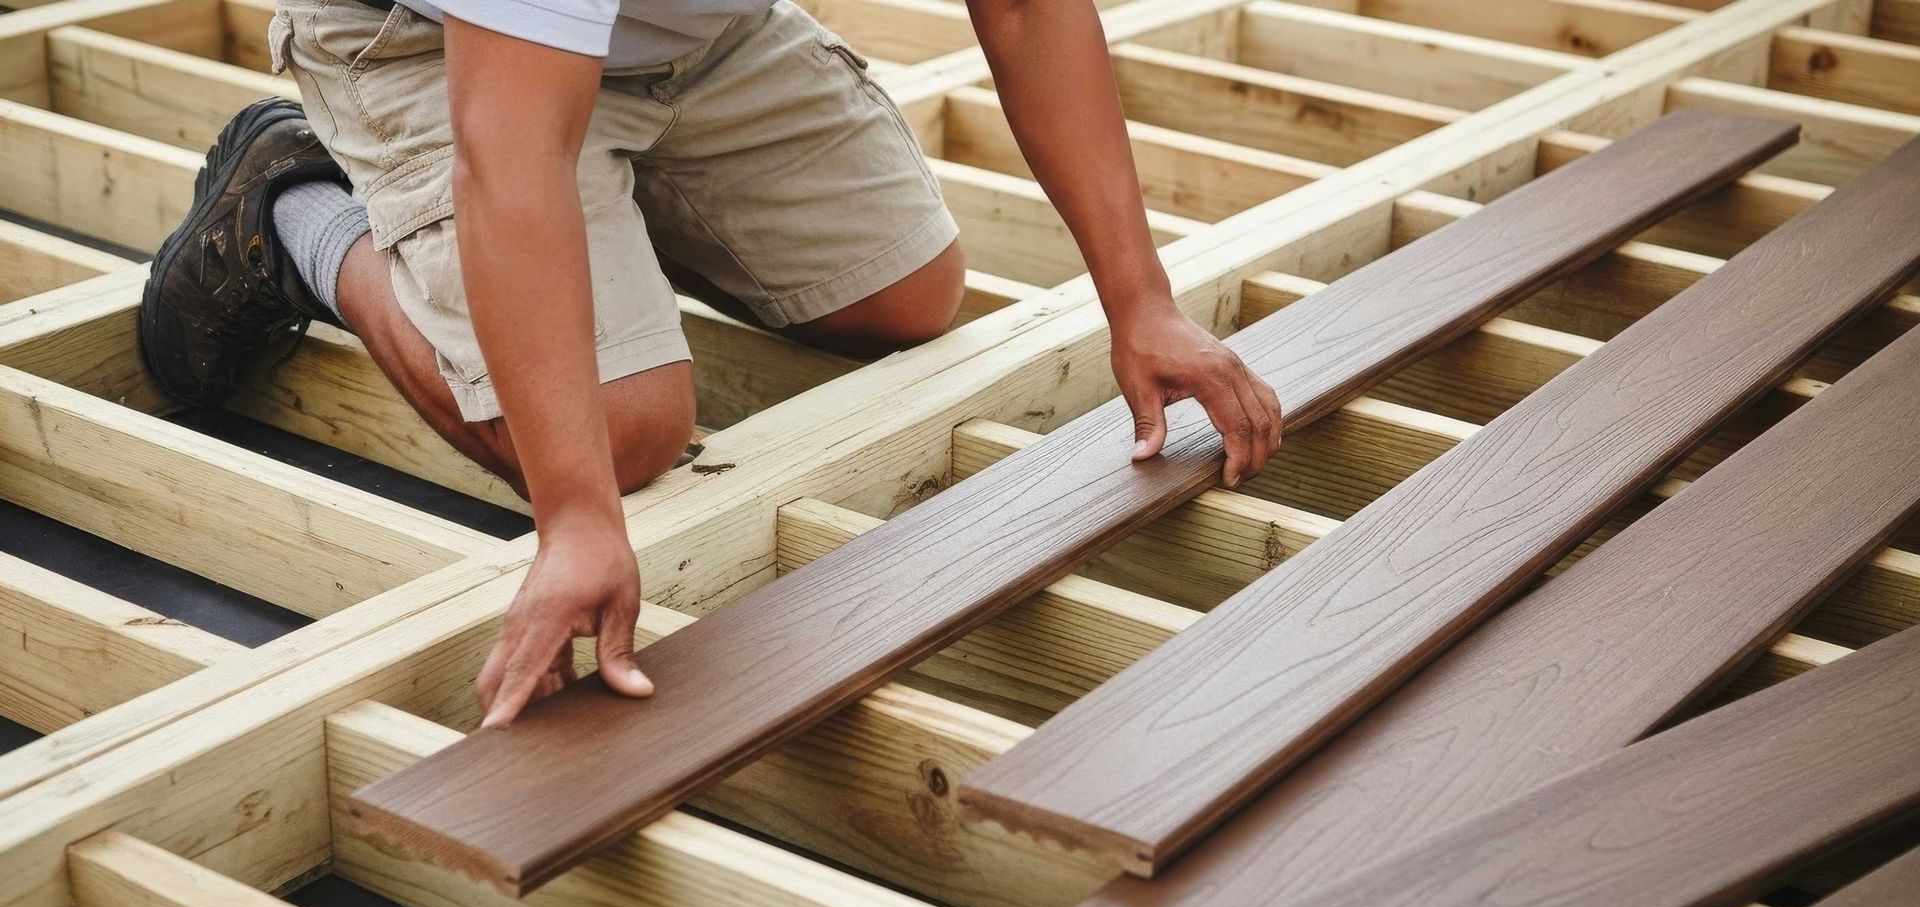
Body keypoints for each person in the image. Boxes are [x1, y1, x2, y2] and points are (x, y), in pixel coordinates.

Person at [139, 0, 1283, 727]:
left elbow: (1028, 13)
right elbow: (514, 157)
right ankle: (298, 209)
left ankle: (614, 210)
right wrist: (578, 515)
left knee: (909, 292)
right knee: (620, 433)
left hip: (687, 29)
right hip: (433, 48)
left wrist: (1141, 302)